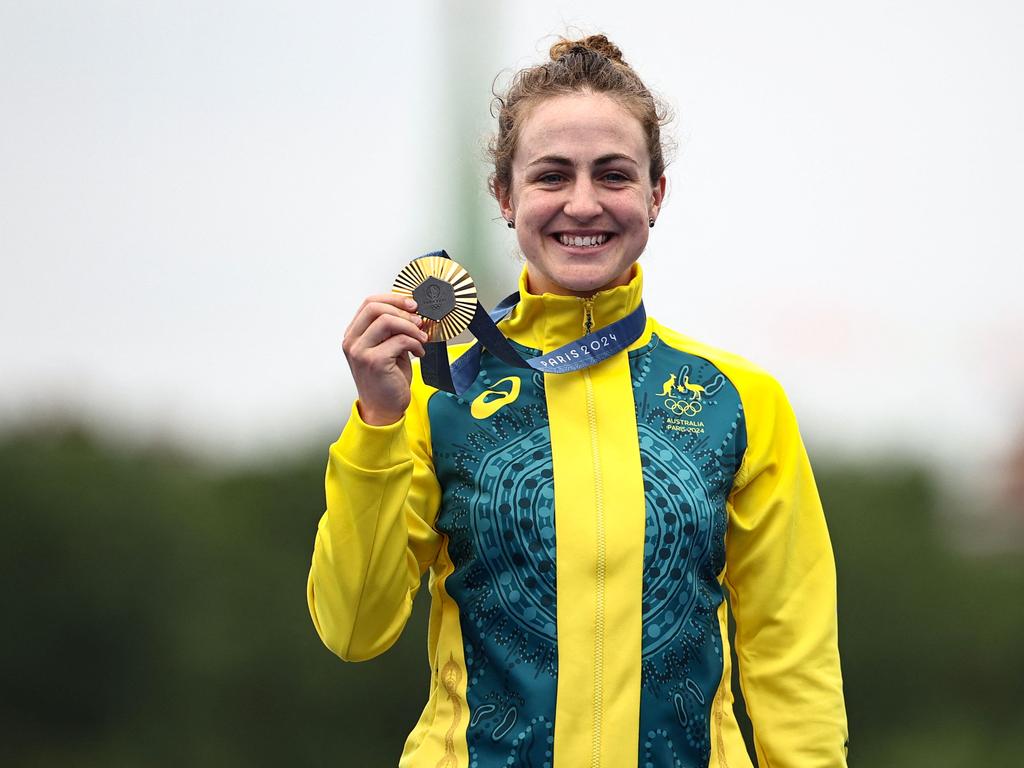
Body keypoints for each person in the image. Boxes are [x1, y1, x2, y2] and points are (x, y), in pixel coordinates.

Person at [308, 34, 849, 768]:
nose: (583, 202)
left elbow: (793, 659)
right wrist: (377, 422)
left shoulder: (740, 401)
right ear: (506, 196)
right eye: (552, 176)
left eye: (614, 175)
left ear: (656, 194)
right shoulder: (436, 396)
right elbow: (353, 627)